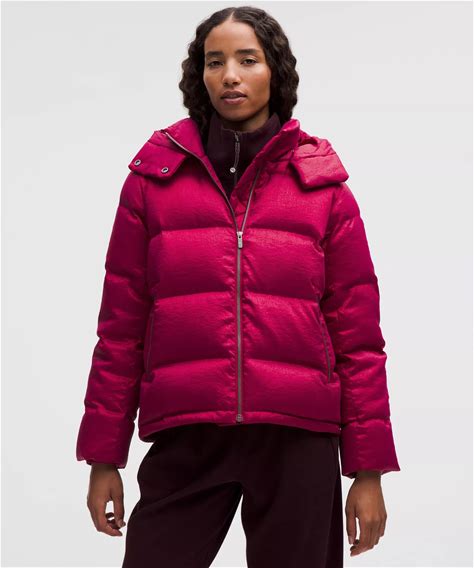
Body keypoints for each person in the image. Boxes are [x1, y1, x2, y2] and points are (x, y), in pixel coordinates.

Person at [76, 5, 401, 567]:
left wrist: (367, 470)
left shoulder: (322, 188)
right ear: (198, 75)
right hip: (187, 433)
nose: (230, 75)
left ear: (276, 71)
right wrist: (104, 457)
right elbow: (121, 330)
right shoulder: (152, 183)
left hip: (297, 439)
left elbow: (359, 341)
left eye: (248, 60)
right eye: (214, 61)